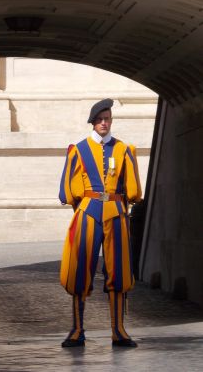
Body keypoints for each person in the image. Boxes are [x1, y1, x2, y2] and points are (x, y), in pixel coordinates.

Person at [58, 98, 142, 348]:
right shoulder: (79, 149)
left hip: (116, 212)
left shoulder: (124, 149)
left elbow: (134, 190)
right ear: (93, 122)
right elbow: (68, 192)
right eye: (100, 119)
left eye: (108, 119)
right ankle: (76, 330)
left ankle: (118, 330)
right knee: (80, 270)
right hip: (89, 212)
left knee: (119, 272)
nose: (104, 123)